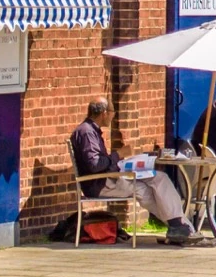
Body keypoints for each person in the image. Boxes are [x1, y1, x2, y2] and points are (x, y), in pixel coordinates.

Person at [70, 99, 193, 245]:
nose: (113, 116)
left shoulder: (89, 130)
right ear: (104, 113)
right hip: (100, 184)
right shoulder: (87, 133)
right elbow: (94, 165)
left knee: (159, 178)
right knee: (146, 190)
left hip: (107, 179)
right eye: (112, 112)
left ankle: (179, 227)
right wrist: (118, 155)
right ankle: (182, 227)